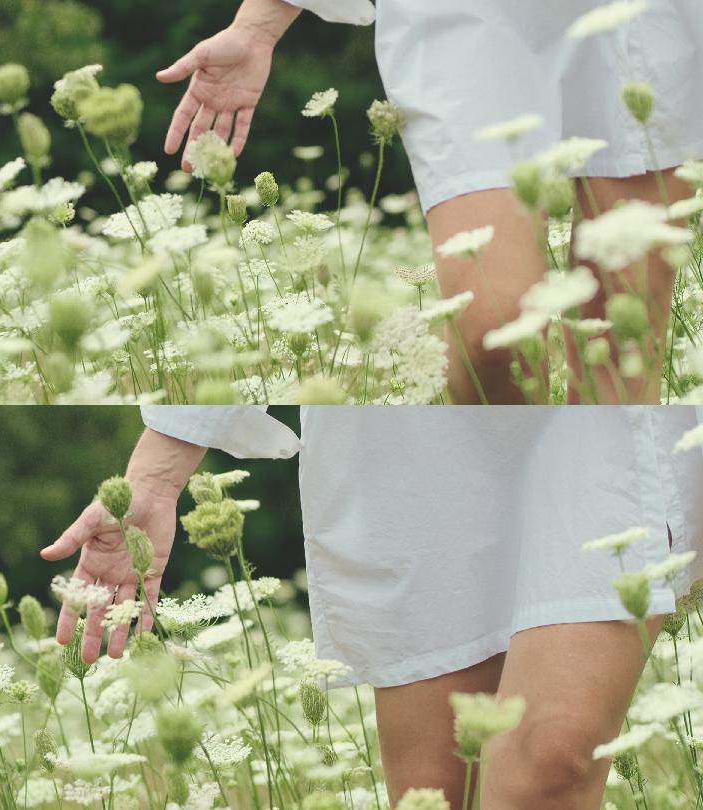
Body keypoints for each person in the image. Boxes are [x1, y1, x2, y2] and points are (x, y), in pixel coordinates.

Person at [43, 405, 703, 808]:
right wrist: (155, 478)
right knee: (433, 793)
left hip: (597, 377)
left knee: (553, 755)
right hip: (411, 429)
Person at [157, 0, 702, 403]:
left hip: (644, 23)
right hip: (468, 20)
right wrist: (258, 25)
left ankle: (597, 544)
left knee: (623, 337)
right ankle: (502, 516)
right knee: (494, 331)